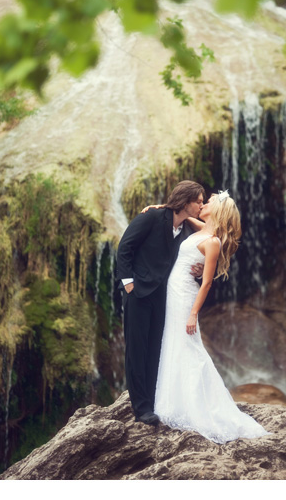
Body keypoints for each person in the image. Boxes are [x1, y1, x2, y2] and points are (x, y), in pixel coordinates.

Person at [153, 190, 271, 443]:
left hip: (185, 296)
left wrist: (193, 314)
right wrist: (160, 207)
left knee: (187, 346)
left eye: (208, 202)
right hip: (174, 291)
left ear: (217, 210)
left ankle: (194, 405)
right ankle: (174, 399)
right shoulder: (203, 229)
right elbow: (184, 217)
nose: (202, 204)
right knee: (173, 343)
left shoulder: (213, 241)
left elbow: (206, 283)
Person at [117, 180, 205, 425]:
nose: (201, 205)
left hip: (164, 297)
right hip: (138, 293)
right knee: (137, 349)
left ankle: (154, 402)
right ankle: (141, 409)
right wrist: (128, 284)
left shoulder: (187, 230)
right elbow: (124, 248)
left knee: (156, 348)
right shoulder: (151, 218)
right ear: (185, 201)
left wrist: (198, 270)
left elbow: (206, 240)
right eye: (198, 201)